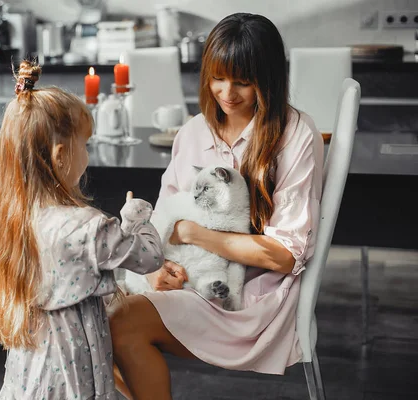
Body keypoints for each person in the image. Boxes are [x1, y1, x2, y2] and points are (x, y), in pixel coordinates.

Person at [109, 13, 324, 400]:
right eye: (217, 78)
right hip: (186, 282)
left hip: (250, 301)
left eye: (243, 81)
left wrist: (193, 233)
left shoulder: (295, 135)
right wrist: (161, 270)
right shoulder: (192, 132)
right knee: (89, 318)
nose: (227, 92)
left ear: (269, 79)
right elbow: (159, 226)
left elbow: (283, 256)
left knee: (118, 323)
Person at [0, 60, 164, 400]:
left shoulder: (11, 220)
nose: (88, 154)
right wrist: (137, 219)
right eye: (86, 144)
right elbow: (150, 259)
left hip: (30, 370)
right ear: (61, 155)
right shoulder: (89, 228)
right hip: (74, 372)